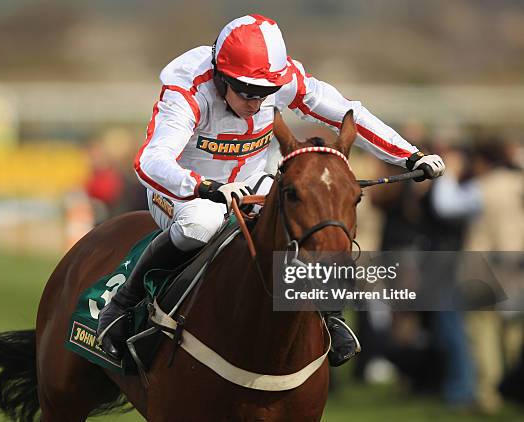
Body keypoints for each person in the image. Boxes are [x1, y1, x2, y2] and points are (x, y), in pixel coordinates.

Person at [98, 14, 445, 365]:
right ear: (221, 75)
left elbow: (348, 113)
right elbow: (150, 161)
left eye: (266, 94)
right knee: (200, 224)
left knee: (306, 214)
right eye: (247, 92)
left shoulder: (284, 80)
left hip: (250, 183)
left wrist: (410, 156)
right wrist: (205, 187)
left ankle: (330, 316)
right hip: (183, 191)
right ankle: (122, 305)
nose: (256, 102)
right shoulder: (187, 90)